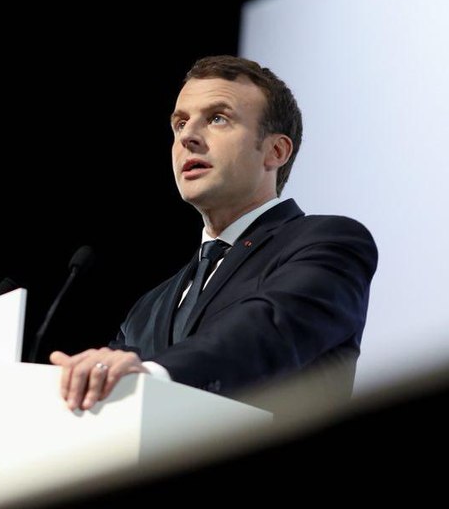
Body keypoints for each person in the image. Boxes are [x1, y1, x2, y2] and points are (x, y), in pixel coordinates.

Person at [51, 55, 377, 412]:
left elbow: (268, 329)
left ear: (276, 151)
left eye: (218, 118)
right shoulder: (148, 308)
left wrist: (155, 374)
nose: (188, 136)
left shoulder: (330, 242)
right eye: (179, 124)